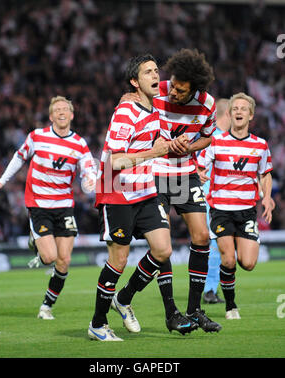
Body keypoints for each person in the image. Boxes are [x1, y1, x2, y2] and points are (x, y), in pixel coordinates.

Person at [88, 54, 197, 342]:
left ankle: (123, 298)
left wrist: (174, 145)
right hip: (117, 192)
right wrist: (155, 152)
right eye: (147, 72)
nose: (154, 75)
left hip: (145, 191)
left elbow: (158, 144)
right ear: (135, 82)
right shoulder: (126, 112)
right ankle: (98, 324)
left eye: (155, 70)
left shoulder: (154, 111)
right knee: (119, 260)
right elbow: (114, 161)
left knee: (163, 251)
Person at [116, 48, 221, 333]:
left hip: (186, 175)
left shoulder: (207, 105)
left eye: (181, 90)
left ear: (195, 90)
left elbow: (207, 138)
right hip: (155, 174)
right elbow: (131, 104)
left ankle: (195, 310)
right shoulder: (157, 91)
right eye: (172, 85)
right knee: (162, 246)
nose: (173, 92)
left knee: (201, 237)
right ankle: (171, 313)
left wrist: (189, 146)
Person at [0, 96, 96, 319]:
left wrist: (88, 181)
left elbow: (88, 170)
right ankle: (35, 238)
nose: (61, 112)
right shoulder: (37, 136)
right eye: (56, 109)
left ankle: (46, 306)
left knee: (64, 261)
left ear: (71, 115)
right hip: (39, 205)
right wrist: (2, 181)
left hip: (65, 206)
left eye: (65, 109)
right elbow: (19, 158)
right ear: (50, 116)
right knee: (49, 258)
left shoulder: (79, 143)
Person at [198, 92, 274, 319]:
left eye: (243, 109)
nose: (239, 111)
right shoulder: (216, 141)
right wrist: (200, 173)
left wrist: (267, 198)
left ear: (250, 115)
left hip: (247, 212)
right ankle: (230, 305)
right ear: (229, 114)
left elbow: (266, 174)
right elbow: (200, 164)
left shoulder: (260, 145)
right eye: (235, 108)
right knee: (228, 259)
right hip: (221, 210)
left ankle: (224, 288)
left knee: (248, 263)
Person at [199, 99, 230, 304]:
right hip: (211, 201)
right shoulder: (216, 139)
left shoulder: (211, 137)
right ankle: (209, 289)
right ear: (226, 114)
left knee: (216, 245)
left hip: (215, 201)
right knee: (216, 245)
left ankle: (209, 288)